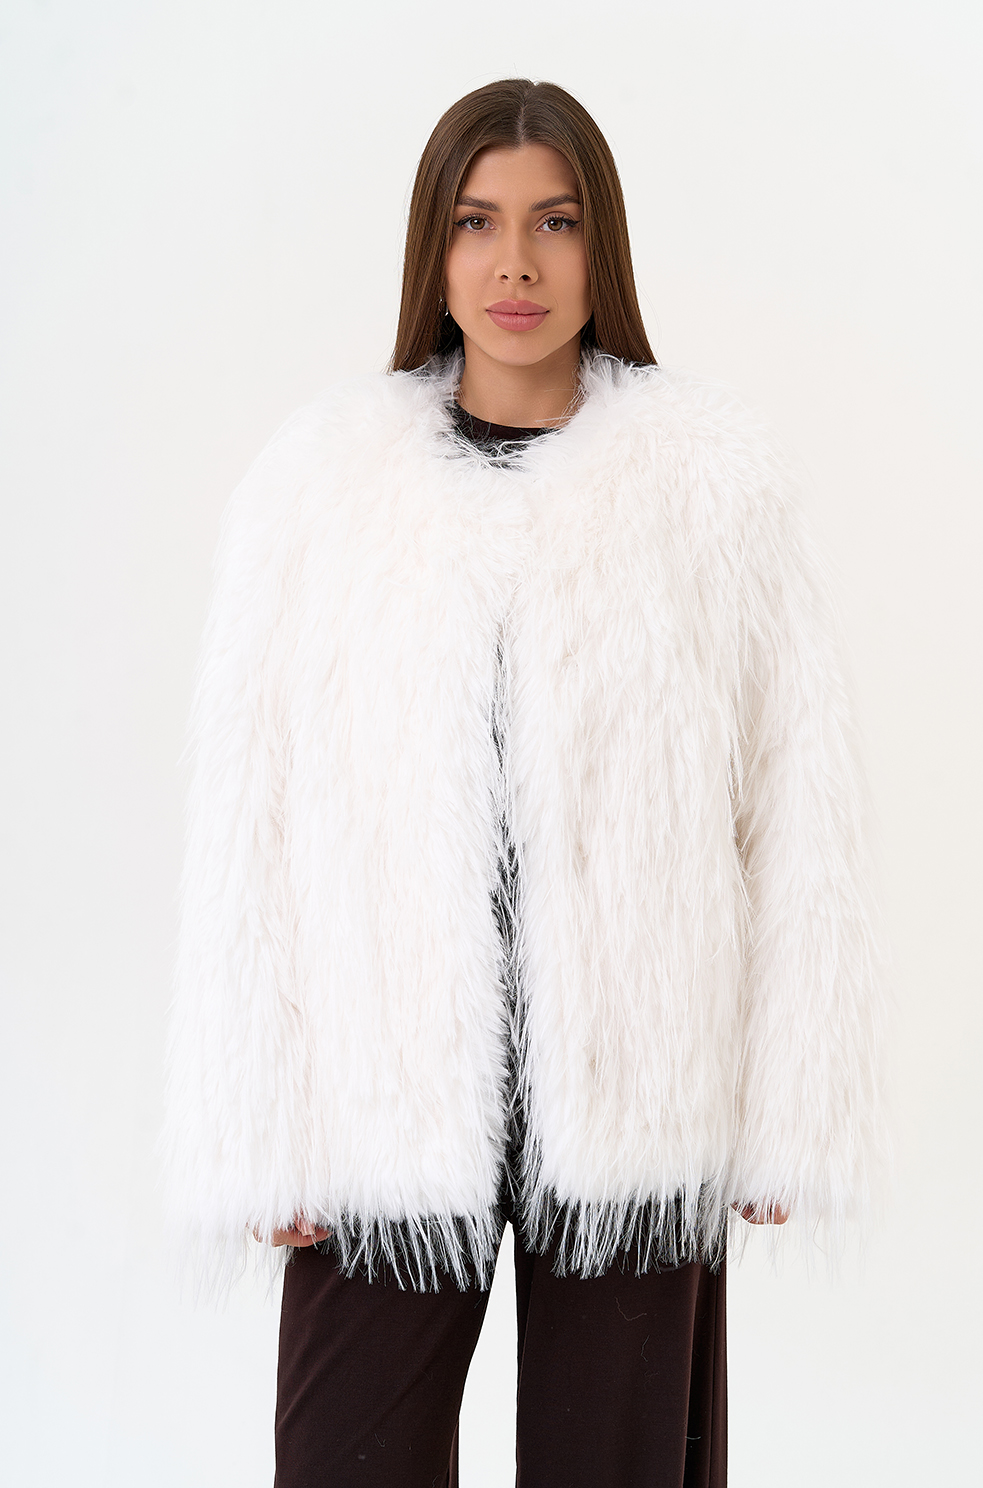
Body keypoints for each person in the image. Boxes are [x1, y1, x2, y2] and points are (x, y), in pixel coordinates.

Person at [162, 78, 884, 1488]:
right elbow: (246, 817)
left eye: (555, 223)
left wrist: (790, 1100)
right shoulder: (322, 489)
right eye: (476, 222)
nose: (515, 264)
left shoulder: (709, 486)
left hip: (637, 1083)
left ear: (601, 247)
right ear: (432, 250)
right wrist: (261, 1115)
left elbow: (800, 797)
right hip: (383, 1089)